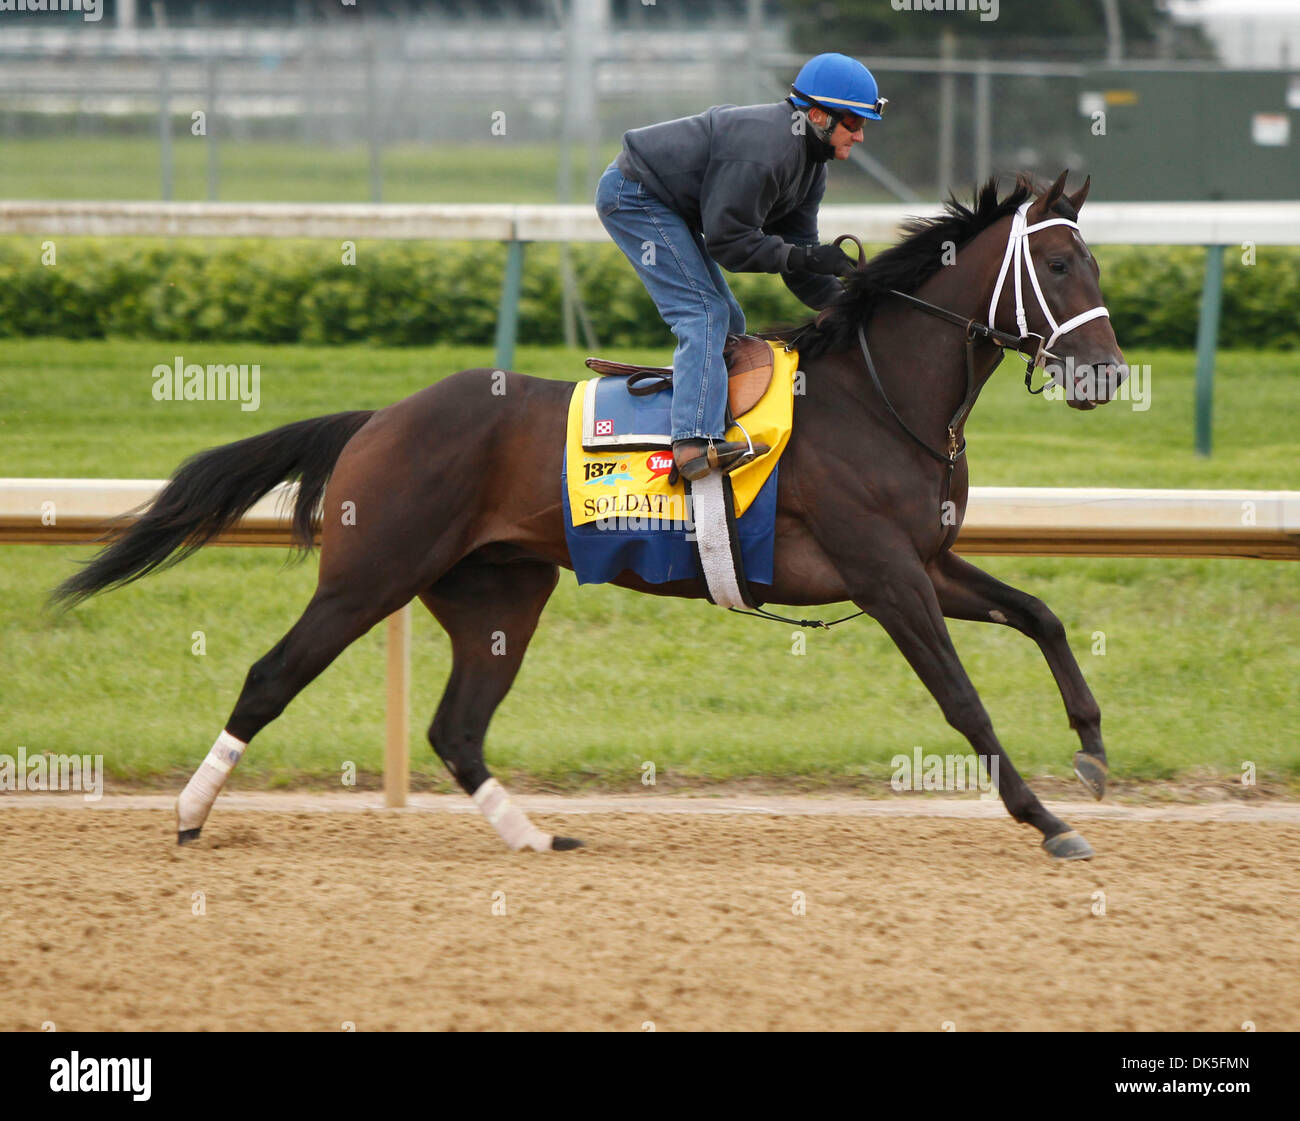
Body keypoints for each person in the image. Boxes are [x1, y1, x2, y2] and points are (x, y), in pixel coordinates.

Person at [595, 52, 887, 481]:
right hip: (634, 196)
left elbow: (798, 256)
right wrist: (806, 256)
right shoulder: (765, 151)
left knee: (730, 319)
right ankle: (693, 443)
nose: (860, 137)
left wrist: (848, 306)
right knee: (704, 314)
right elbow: (729, 244)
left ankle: (723, 423)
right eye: (855, 124)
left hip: (669, 206)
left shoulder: (810, 165)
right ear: (819, 115)